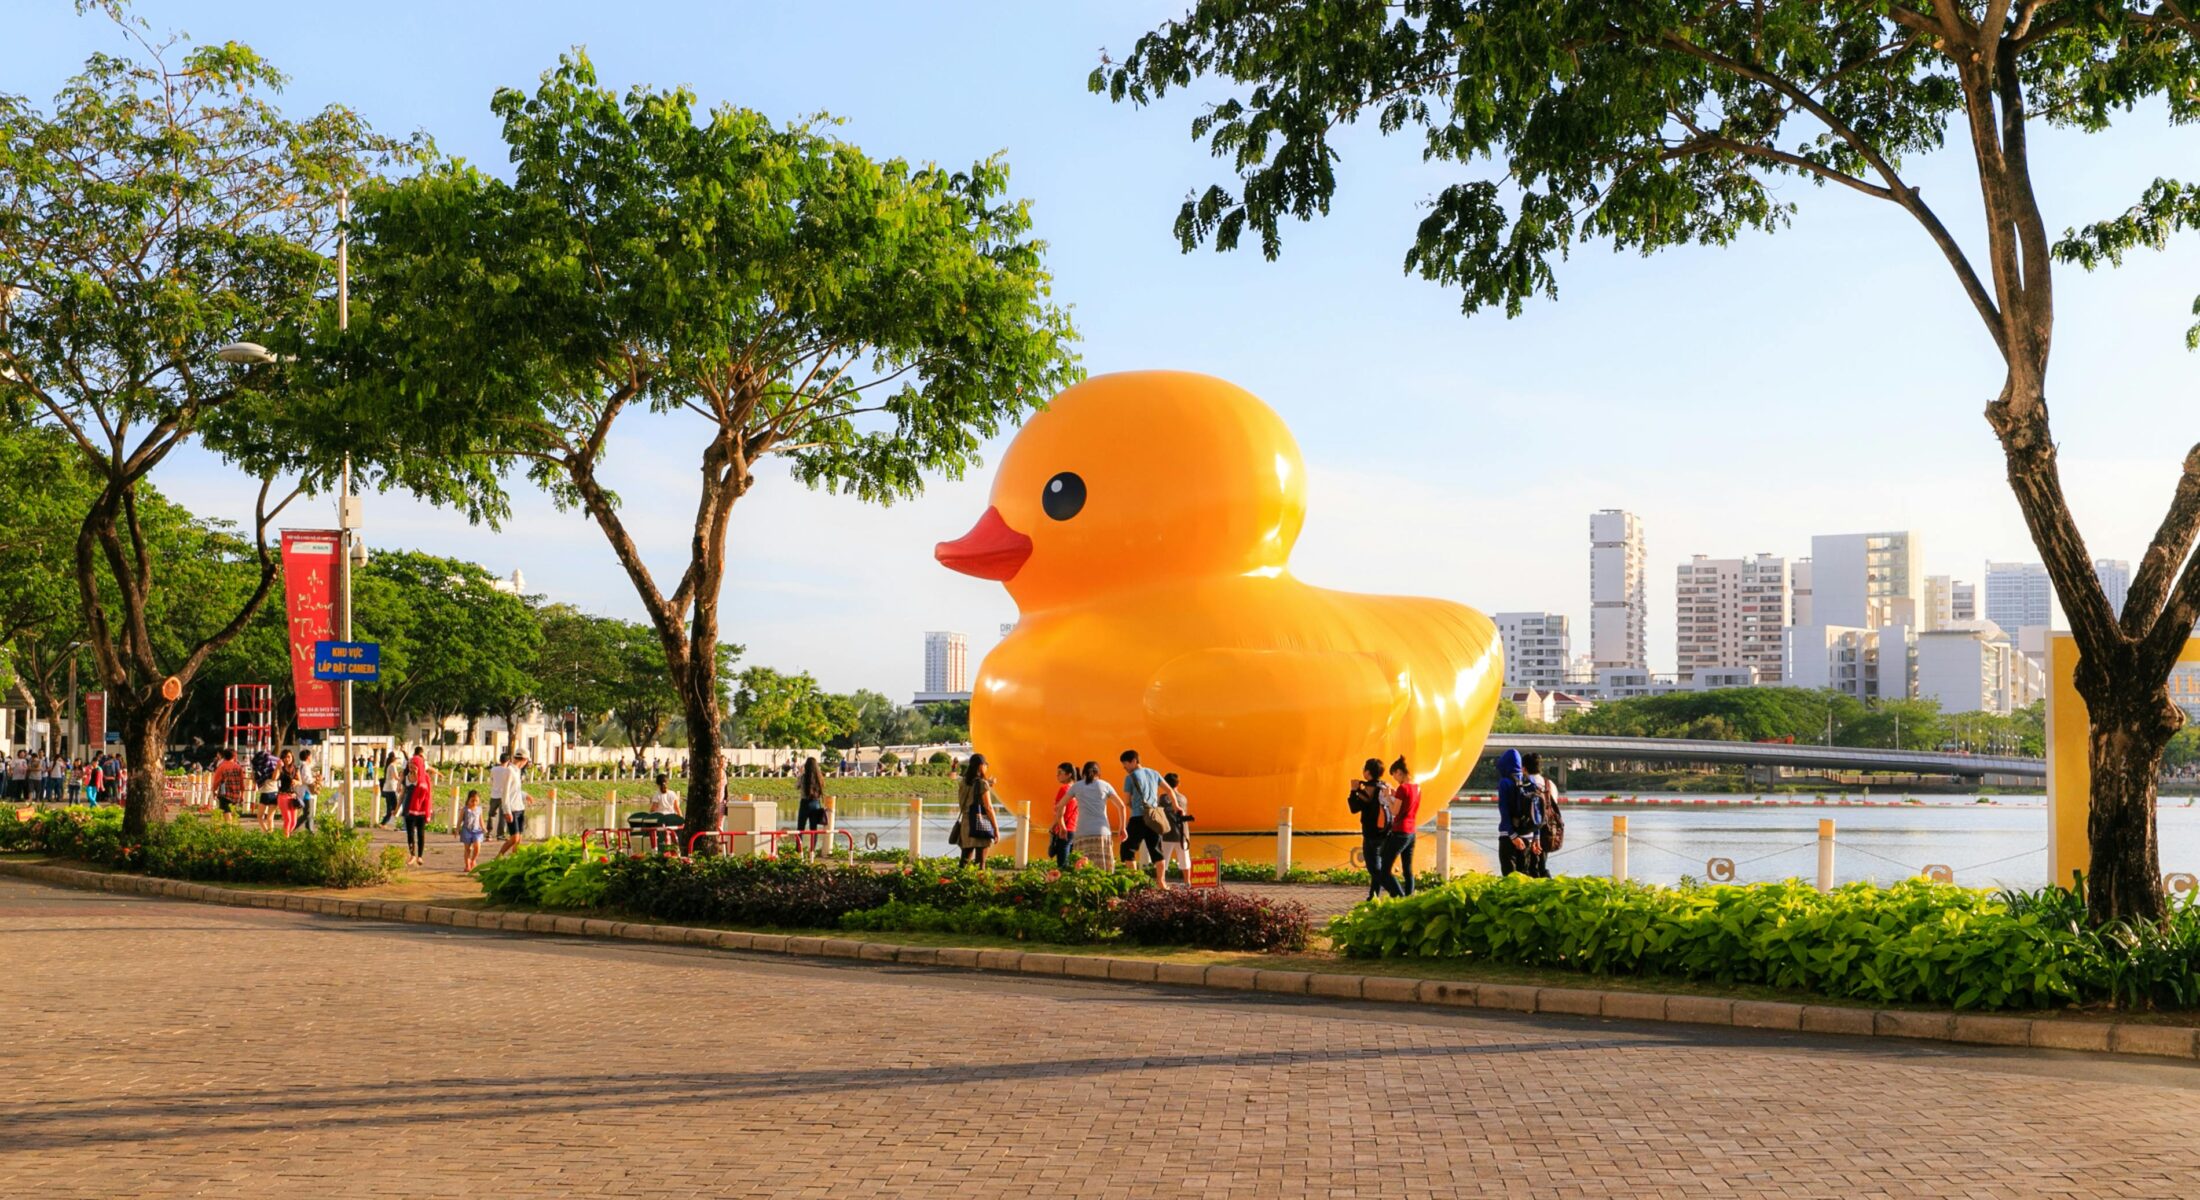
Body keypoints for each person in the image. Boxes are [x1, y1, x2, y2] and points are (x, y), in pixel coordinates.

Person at [1116, 750, 1180, 888]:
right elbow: (1169, 790)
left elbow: (1126, 800)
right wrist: (1176, 806)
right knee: (1156, 850)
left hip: (1138, 818)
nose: (1125, 768)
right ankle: (1162, 882)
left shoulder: (1130, 778)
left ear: (1133, 761)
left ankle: (1134, 882)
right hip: (1154, 818)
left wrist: (1134, 807)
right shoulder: (1154, 773)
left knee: (1128, 849)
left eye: (1125, 764)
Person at [1348, 757, 1393, 899]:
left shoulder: (1369, 789)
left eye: (1364, 769)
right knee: (1377, 865)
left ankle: (1395, 890)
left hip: (1371, 833)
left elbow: (1354, 808)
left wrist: (1354, 791)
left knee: (1373, 868)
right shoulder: (1385, 786)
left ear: (1368, 773)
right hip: (1385, 832)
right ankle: (1373, 896)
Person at [1496, 748, 1542, 877]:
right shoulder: (1529, 782)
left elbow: (1504, 811)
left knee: (1509, 877)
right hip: (1528, 835)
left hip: (1508, 836)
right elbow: (1536, 812)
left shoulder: (1505, 783)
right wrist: (1536, 837)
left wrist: (1512, 835)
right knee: (1524, 876)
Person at [1380, 756, 1422, 897]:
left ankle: (1400, 896)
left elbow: (1394, 811)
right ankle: (1410, 897)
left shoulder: (1402, 788)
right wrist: (1393, 793)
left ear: (1399, 772)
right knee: (1407, 869)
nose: (1395, 780)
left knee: (1384, 869)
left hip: (1400, 831)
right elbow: (1407, 803)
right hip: (1411, 832)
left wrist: (1387, 796)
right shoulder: (1417, 787)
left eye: (1395, 776)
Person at [1067, 761, 1118, 870]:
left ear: (1084, 772)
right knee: (1103, 868)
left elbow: (1060, 805)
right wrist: (1122, 828)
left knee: (1082, 866)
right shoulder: (1105, 785)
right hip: (1102, 832)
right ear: (1098, 772)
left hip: (1082, 831)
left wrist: (1061, 825)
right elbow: (1122, 806)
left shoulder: (1077, 786)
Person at [955, 754, 999, 867]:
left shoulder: (963, 782)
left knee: (964, 861)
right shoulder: (982, 784)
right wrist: (996, 829)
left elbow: (972, 791)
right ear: (981, 766)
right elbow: (988, 808)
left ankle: (958, 882)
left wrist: (988, 784)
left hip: (966, 823)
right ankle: (980, 883)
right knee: (980, 862)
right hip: (979, 823)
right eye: (985, 765)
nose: (986, 767)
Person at [1520, 752, 1557, 879]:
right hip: (1547, 831)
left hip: (1530, 832)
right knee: (1541, 865)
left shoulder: (1525, 785)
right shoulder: (1549, 784)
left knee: (1529, 869)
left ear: (1523, 768)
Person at [402, 751, 435, 867]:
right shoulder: (406, 777)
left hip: (421, 809)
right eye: (410, 763)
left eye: (414, 763)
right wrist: (396, 809)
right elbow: (403, 793)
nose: (411, 765)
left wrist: (429, 811)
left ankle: (420, 856)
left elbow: (428, 794)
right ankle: (412, 855)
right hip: (408, 808)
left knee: (421, 834)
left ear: (419, 765)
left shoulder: (424, 777)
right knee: (410, 833)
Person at [496, 754, 529, 859]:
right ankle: (498, 857)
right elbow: (505, 792)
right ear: (524, 760)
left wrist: (526, 795)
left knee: (519, 839)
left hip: (520, 807)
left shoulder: (517, 771)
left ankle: (514, 859)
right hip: (512, 809)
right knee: (514, 838)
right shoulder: (509, 771)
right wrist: (506, 811)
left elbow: (516, 790)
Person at [1161, 771, 1193, 879]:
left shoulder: (1162, 799)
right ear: (1178, 784)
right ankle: (1187, 882)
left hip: (1166, 834)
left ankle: (1161, 882)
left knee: (1163, 861)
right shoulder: (1183, 798)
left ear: (1164, 783)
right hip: (1182, 834)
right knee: (1185, 860)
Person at [796, 756, 827, 857]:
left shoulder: (803, 777)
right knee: (814, 829)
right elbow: (823, 787)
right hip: (816, 804)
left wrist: (800, 773)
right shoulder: (819, 777)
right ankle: (812, 852)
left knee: (800, 828)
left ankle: (799, 852)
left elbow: (796, 786)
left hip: (805, 803)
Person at [1048, 762, 1077, 870]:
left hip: (1064, 829)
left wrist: (1060, 827)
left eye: (1060, 772)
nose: (1057, 775)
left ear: (1069, 774)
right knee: (1069, 862)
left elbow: (1061, 810)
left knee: (1062, 864)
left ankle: (1062, 883)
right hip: (1074, 828)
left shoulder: (1064, 789)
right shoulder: (1077, 789)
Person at [211, 748, 247, 817]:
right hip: (235, 793)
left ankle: (229, 826)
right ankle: (231, 825)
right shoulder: (238, 767)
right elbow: (242, 782)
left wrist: (214, 791)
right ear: (234, 756)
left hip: (224, 792)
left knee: (226, 811)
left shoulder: (221, 766)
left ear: (224, 756)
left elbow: (216, 781)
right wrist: (242, 794)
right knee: (230, 811)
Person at [457, 790, 487, 873]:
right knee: (467, 849)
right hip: (466, 830)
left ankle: (473, 860)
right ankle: (467, 865)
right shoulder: (465, 809)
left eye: (476, 801)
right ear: (468, 800)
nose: (474, 802)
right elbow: (460, 820)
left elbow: (481, 820)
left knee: (477, 847)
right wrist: (457, 829)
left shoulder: (479, 809)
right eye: (472, 800)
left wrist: (484, 828)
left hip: (477, 831)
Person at [486, 752, 513, 838]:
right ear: (508, 760)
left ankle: (488, 833)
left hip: (494, 794)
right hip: (503, 796)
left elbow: (492, 779)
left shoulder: (494, 769)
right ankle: (500, 834)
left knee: (491, 814)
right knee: (502, 816)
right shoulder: (508, 771)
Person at [251, 748, 278, 832]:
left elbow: (254, 780)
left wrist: (253, 772)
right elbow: (276, 777)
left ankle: (266, 832)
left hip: (265, 794)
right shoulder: (273, 768)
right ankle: (271, 834)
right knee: (270, 818)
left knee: (259, 817)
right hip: (275, 793)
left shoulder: (259, 770)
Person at [295, 749, 320, 834]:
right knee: (308, 813)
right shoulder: (305, 766)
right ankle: (293, 827)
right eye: (311, 756)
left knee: (309, 813)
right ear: (308, 757)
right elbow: (306, 779)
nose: (311, 757)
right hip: (306, 793)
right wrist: (314, 780)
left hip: (304, 791)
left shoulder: (301, 765)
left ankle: (310, 830)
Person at [378, 749, 403, 827]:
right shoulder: (392, 766)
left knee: (390, 808)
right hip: (391, 789)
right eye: (396, 759)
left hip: (387, 789)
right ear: (393, 759)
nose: (397, 761)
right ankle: (391, 823)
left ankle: (383, 823)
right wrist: (402, 780)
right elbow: (396, 777)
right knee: (396, 806)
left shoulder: (389, 765)